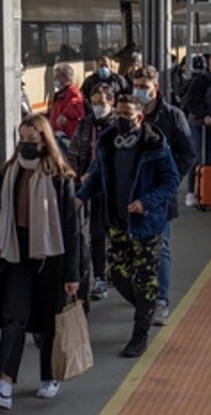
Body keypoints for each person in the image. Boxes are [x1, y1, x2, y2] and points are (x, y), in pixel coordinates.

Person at [0, 114, 81, 410]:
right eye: (21, 140)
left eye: (31, 141)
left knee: (47, 320)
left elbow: (71, 230)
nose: (25, 146)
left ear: (44, 142)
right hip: (16, 253)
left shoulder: (60, 177)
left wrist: (72, 273)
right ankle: (4, 384)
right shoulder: (11, 171)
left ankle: (49, 376)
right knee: (14, 316)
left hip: (52, 258)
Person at [76, 94, 180, 357]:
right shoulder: (108, 141)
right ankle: (146, 307)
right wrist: (81, 197)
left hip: (146, 225)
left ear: (139, 117)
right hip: (118, 222)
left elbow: (171, 181)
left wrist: (146, 202)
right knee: (119, 277)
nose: (121, 119)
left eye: (127, 115)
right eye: (119, 114)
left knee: (145, 279)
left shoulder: (155, 144)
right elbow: (98, 173)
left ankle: (139, 335)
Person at [129, 65, 194, 326]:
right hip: (131, 194)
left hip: (160, 195)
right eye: (136, 86)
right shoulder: (128, 115)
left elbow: (188, 153)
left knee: (161, 247)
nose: (140, 91)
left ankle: (161, 301)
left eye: (144, 87)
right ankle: (141, 295)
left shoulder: (173, 116)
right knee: (134, 246)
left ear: (156, 87)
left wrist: (170, 180)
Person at [68, 83, 117, 301]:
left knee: (115, 232)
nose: (98, 107)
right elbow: (74, 151)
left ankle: (117, 270)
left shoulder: (118, 126)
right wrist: (76, 177)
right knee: (96, 233)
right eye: (95, 103)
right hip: (91, 188)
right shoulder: (86, 125)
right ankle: (100, 277)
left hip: (115, 188)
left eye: (102, 103)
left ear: (111, 102)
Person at [48, 62, 85, 142]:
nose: (55, 79)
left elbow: (75, 105)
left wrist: (64, 115)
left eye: (57, 77)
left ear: (66, 78)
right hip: (58, 133)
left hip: (67, 135)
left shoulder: (73, 92)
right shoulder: (60, 93)